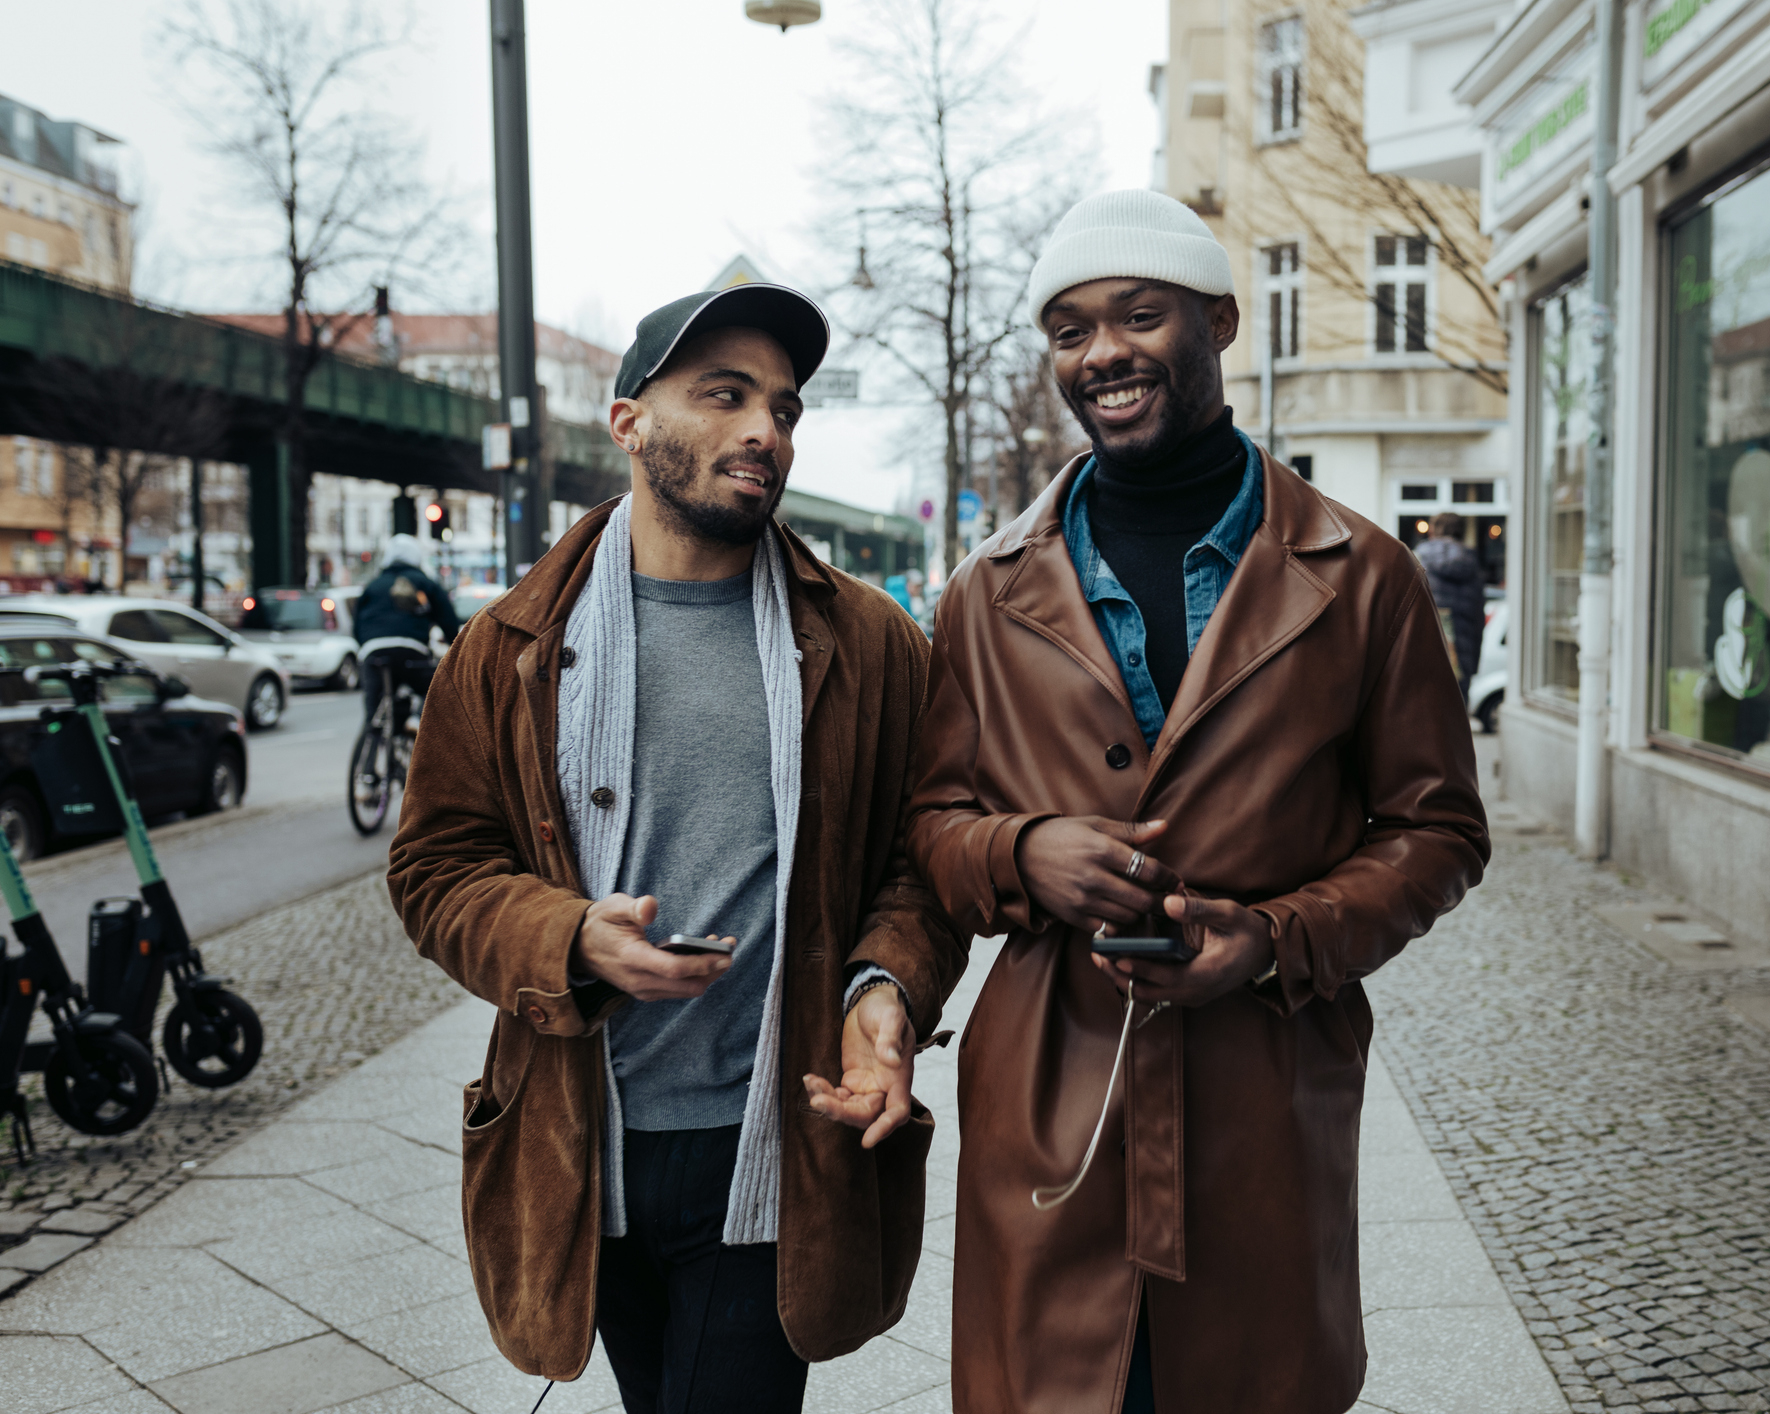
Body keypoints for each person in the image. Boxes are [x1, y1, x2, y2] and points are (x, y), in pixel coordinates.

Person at [906, 189, 1491, 1414]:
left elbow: (1438, 830)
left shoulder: (1362, 575)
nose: (1101, 352)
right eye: (1069, 329)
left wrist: (1276, 940)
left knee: (1253, 1381)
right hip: (1049, 1109)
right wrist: (1026, 852)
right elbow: (928, 826)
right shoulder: (984, 591)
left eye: (1138, 314)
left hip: (1260, 1105)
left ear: (1220, 322)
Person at [387, 284, 965, 1412]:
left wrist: (886, 988)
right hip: (579, 1141)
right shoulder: (505, 647)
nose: (766, 431)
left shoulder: (870, 642)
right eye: (725, 395)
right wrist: (568, 940)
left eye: (785, 409)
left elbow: (926, 855)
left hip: (779, 1139)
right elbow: (434, 869)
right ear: (628, 420)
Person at [351, 533, 461, 725]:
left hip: (373, 652)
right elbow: (448, 621)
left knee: (373, 712)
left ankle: (372, 734)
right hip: (412, 651)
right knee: (435, 694)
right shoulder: (425, 583)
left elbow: (357, 625)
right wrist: (457, 652)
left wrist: (366, 646)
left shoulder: (373, 585)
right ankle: (418, 724)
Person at [1414, 511, 1487, 700]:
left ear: (1433, 531)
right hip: (1463, 652)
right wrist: (1474, 661)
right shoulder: (1471, 562)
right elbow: (1478, 617)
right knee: (1457, 708)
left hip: (1426, 646)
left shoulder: (1418, 558)